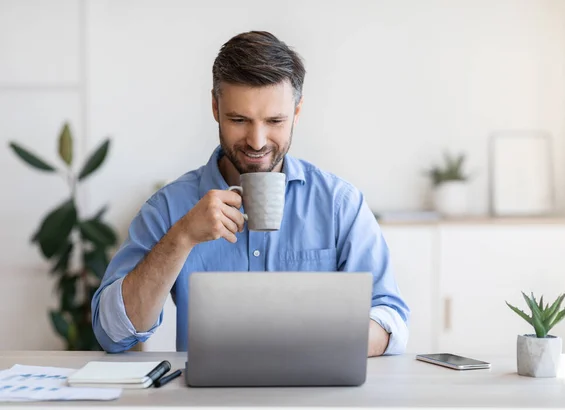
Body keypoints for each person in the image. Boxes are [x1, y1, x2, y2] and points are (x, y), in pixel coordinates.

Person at [91, 31, 410, 356]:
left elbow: (391, 320)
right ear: (215, 108)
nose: (257, 141)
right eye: (239, 119)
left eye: (275, 120)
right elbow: (113, 333)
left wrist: (307, 344)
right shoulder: (170, 208)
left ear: (297, 113)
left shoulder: (339, 204)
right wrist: (183, 237)